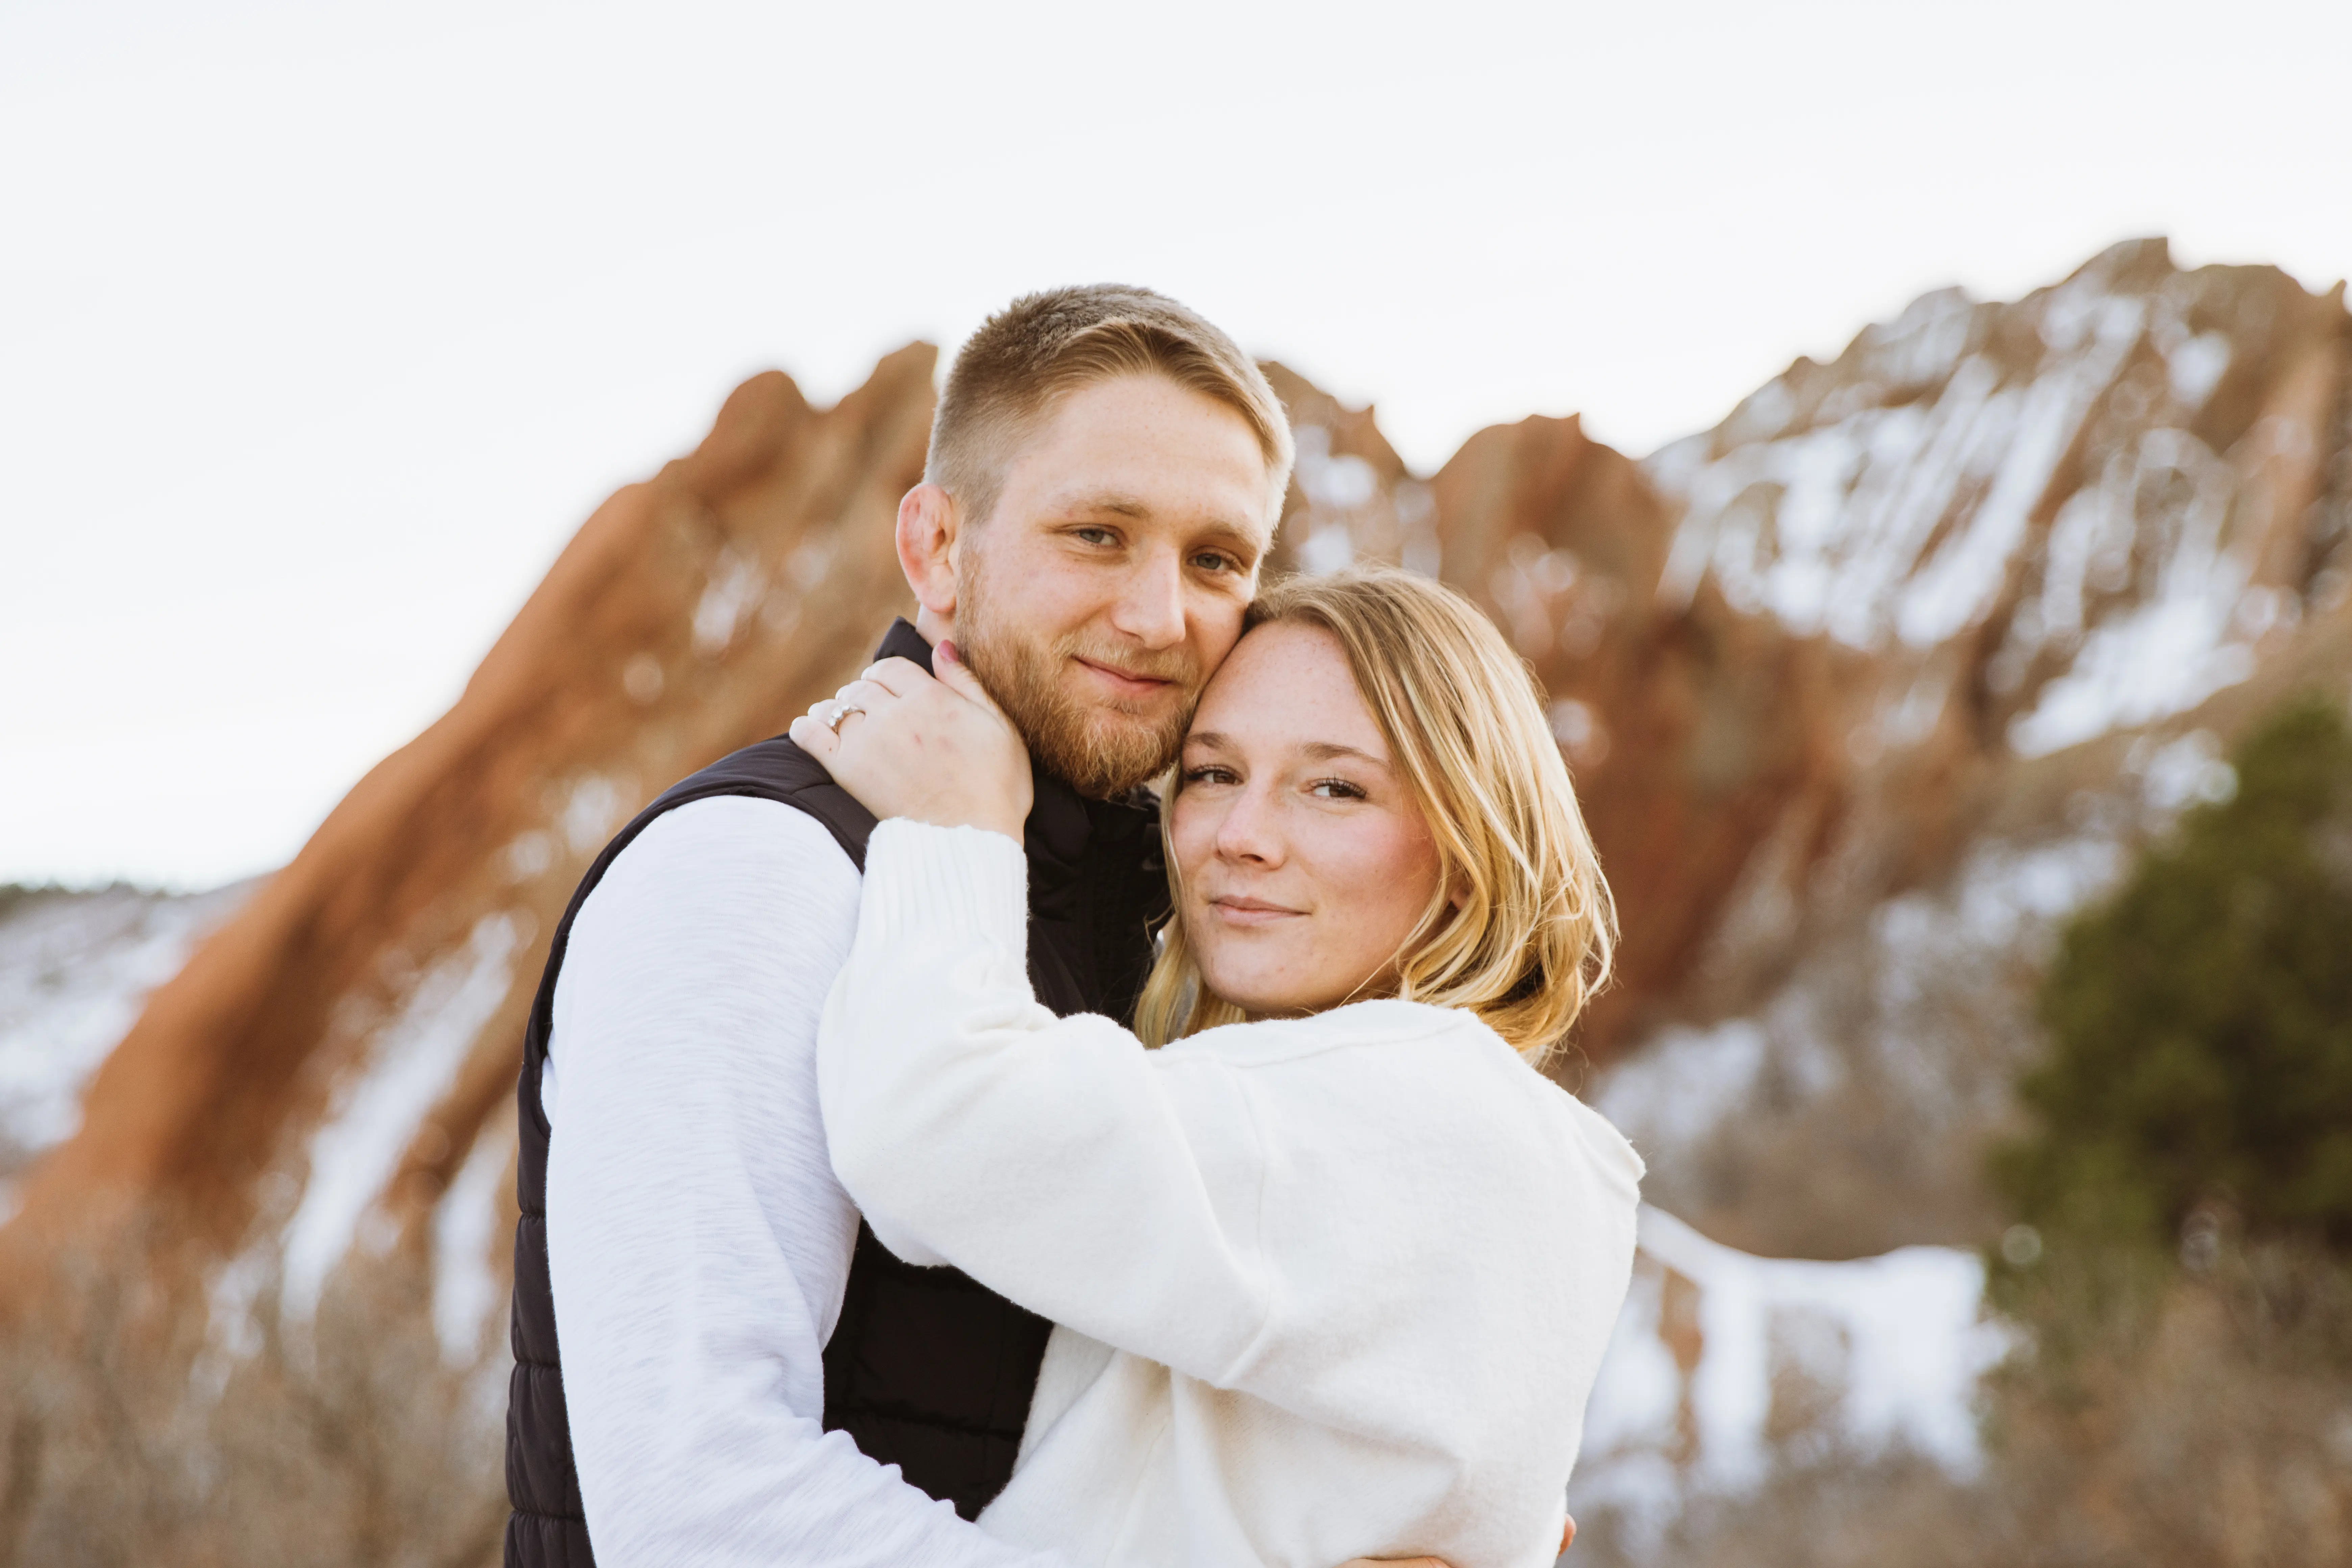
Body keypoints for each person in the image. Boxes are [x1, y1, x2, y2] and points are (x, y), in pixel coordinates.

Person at [506, 285, 1361, 1567]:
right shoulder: (753, 869)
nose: (1158, 614)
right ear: (937, 548)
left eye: (1216, 561)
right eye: (1097, 533)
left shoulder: (1183, 910)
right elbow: (702, 1510)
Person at [787, 568, 1642, 1567]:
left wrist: (954, 827)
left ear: (1467, 847)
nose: (1241, 838)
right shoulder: (1494, 1139)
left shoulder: (1417, 1111)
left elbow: (931, 1127)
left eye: (1336, 788)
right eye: (1210, 774)